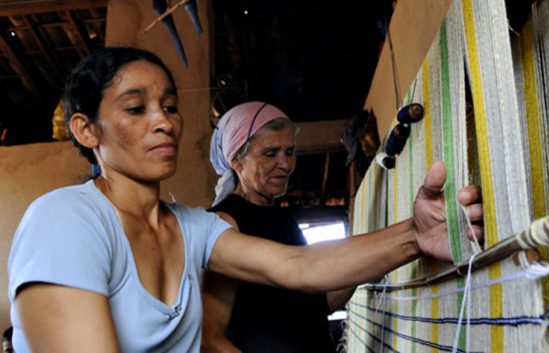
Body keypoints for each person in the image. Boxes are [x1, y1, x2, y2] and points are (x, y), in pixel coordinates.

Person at [7, 47, 483, 353]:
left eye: (170, 106)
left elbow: (298, 268)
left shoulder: (193, 228)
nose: (164, 122)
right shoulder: (66, 220)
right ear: (86, 130)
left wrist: (414, 236)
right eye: (136, 108)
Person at [202, 102, 483, 353]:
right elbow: (208, 338)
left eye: (290, 152)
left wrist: (375, 257)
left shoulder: (281, 219)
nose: (285, 164)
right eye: (271, 153)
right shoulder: (225, 223)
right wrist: (412, 236)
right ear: (236, 161)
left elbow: (322, 301)